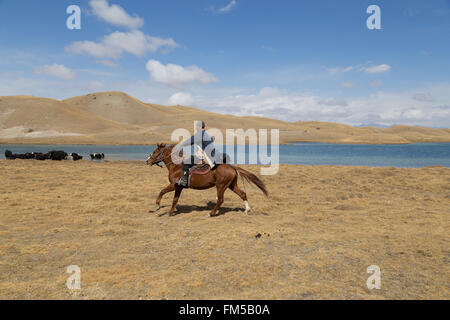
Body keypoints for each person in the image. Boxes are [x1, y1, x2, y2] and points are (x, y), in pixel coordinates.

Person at [175, 121, 216, 187]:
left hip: (203, 155)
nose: (196, 127)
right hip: (209, 154)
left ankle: (184, 181)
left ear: (200, 127)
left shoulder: (200, 134)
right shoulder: (205, 133)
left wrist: (181, 144)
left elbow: (191, 140)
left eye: (197, 126)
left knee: (185, 163)